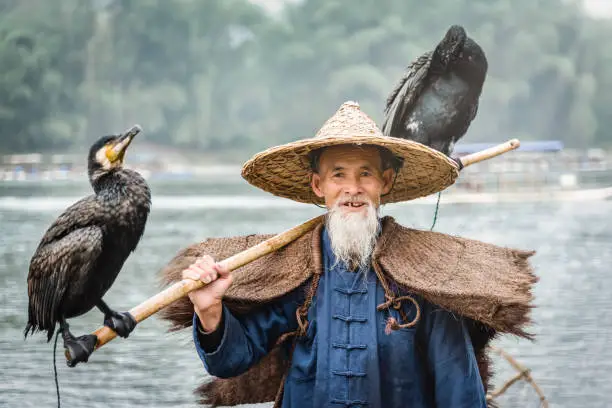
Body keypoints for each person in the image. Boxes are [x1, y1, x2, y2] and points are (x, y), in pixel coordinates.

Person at [159, 101, 538, 408]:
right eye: (338, 175)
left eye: (366, 175)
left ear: (384, 183)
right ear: (318, 185)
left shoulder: (426, 273)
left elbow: (458, 387)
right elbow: (230, 361)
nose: (352, 189)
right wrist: (210, 311)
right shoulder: (299, 271)